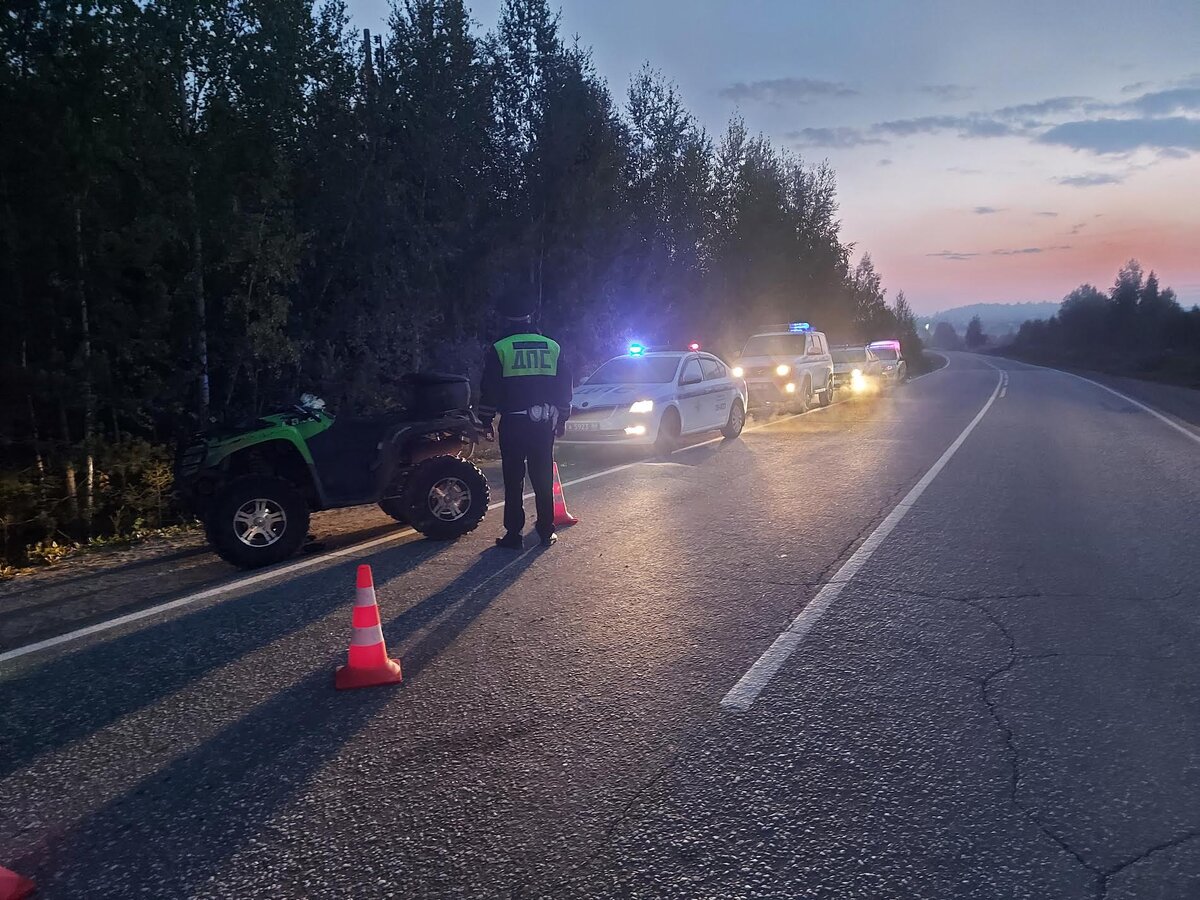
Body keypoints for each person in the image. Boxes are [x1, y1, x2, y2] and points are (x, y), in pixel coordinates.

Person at [477, 296, 572, 548]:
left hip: (514, 423)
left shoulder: (500, 348)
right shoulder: (552, 347)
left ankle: (513, 535)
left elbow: (490, 389)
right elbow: (564, 387)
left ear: (505, 318)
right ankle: (545, 532)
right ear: (531, 316)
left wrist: (485, 420)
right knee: (542, 477)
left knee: (513, 479)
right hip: (543, 424)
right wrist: (562, 417)